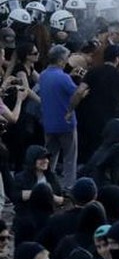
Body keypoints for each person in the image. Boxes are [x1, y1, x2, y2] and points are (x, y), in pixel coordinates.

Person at [40, 44, 87, 185]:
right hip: (66, 123)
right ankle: (69, 186)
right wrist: (83, 87)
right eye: (66, 58)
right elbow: (77, 93)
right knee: (69, 158)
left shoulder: (43, 75)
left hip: (48, 123)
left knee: (49, 157)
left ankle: (47, 182)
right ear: (61, 60)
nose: (67, 61)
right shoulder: (64, 78)